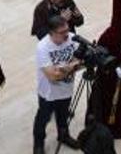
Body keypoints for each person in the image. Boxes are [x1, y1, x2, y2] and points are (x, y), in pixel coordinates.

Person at [33, 15, 82, 154]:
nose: (67, 35)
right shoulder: (42, 47)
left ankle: (64, 136)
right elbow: (53, 77)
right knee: (43, 119)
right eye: (62, 33)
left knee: (63, 115)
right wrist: (72, 66)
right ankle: (38, 144)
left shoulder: (71, 38)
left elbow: (80, 58)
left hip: (66, 90)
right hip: (48, 94)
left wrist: (66, 68)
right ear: (51, 33)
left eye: (67, 30)